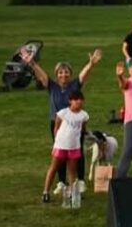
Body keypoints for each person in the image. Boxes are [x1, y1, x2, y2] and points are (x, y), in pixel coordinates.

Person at [21, 47, 101, 191]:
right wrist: (32, 63)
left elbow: (84, 74)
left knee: (78, 151)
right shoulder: (52, 86)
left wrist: (91, 64)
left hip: (75, 124)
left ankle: (80, 180)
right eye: (60, 72)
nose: (63, 74)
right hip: (57, 124)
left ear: (70, 74)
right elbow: (41, 75)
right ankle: (62, 182)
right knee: (59, 153)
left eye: (66, 72)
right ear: (57, 75)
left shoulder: (74, 85)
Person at [43, 91, 88, 206]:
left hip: (74, 147)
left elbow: (82, 129)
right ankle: (46, 191)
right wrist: (57, 141)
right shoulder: (63, 113)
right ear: (70, 101)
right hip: (61, 146)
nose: (78, 101)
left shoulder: (84, 115)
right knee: (54, 167)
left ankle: (73, 193)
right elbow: (56, 127)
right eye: (75, 99)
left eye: (80, 99)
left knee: (72, 171)